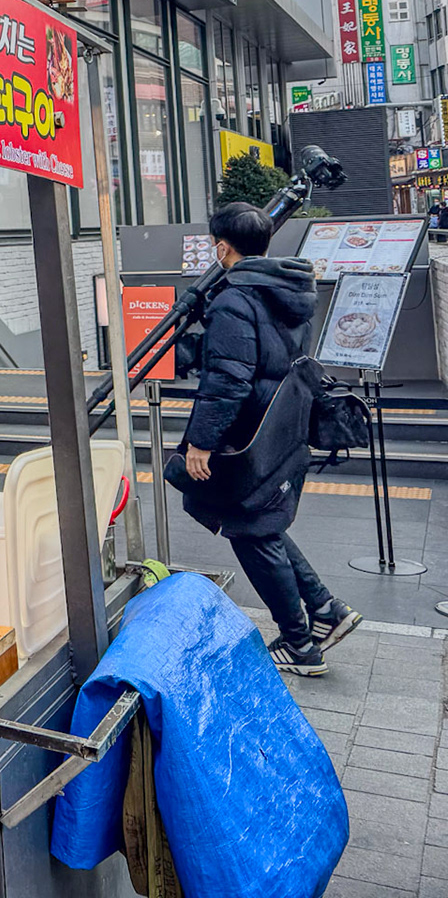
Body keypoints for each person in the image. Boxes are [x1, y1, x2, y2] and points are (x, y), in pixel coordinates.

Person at [177, 202, 360, 677]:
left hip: (246, 436)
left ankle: (300, 643)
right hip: (282, 426)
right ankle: (325, 608)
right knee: (262, 522)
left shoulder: (234, 300)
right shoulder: (289, 289)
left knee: (248, 529)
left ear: (222, 247)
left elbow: (228, 380)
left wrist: (201, 442)